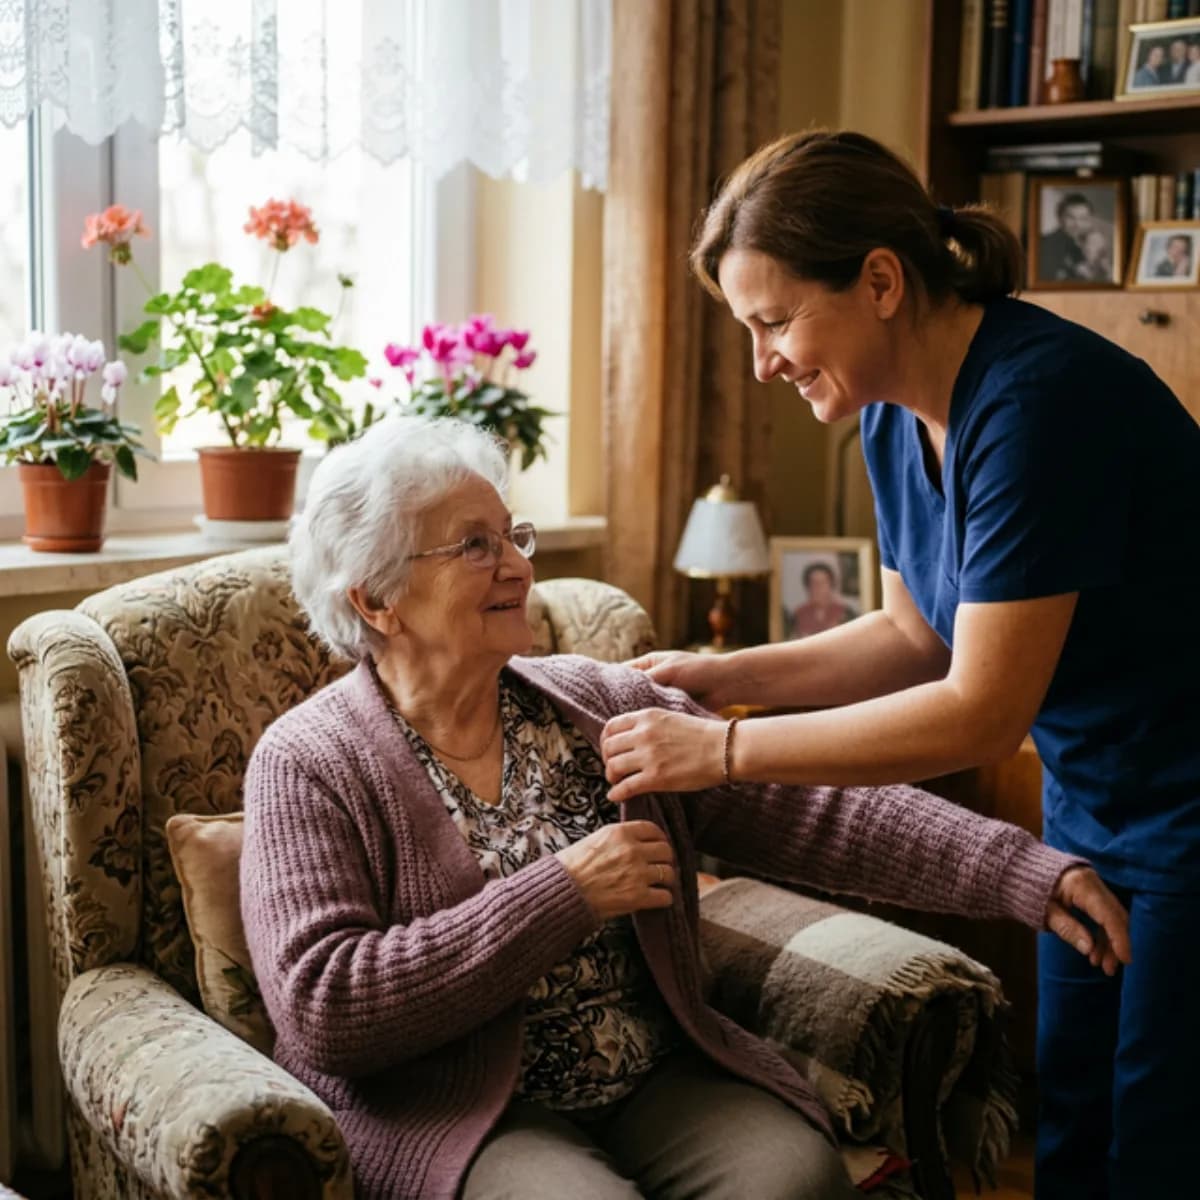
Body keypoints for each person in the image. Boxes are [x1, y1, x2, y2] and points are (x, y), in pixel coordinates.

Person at [240, 414, 1128, 1200]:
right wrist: (564, 892)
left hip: (650, 1073)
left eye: (514, 536)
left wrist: (1023, 873)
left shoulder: (594, 703)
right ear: (376, 599)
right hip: (460, 1104)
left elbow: (815, 812)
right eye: (474, 546)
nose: (518, 565)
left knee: (793, 1177)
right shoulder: (308, 762)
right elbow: (325, 1006)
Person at [599, 130, 1200, 1200]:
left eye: (775, 322)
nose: (762, 363)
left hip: (1189, 803)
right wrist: (722, 673)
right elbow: (912, 636)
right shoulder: (887, 418)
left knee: (1159, 1139)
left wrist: (723, 750)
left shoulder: (1041, 402)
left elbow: (975, 711)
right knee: (1074, 1115)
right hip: (1097, 796)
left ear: (881, 280)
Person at [790, 561, 856, 637]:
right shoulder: (799, 614)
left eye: (822, 582)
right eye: (813, 583)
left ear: (831, 585)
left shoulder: (845, 612)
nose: (818, 588)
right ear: (808, 587)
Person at [1038, 193, 1092, 282]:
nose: (1077, 224)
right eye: (1071, 217)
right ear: (1059, 217)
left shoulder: (1081, 246)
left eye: (1083, 218)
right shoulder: (1045, 244)